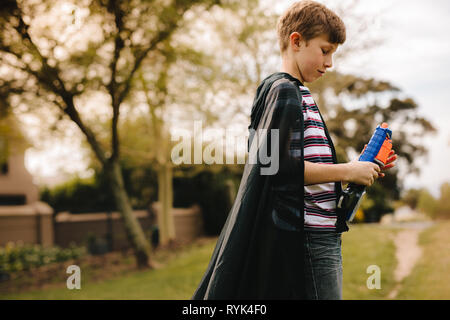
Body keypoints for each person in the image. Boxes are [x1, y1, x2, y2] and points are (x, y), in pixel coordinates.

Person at [193, 0, 397, 300]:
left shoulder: (298, 93)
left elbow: (299, 165)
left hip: (321, 233)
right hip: (311, 238)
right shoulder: (284, 91)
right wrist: (347, 169)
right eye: (325, 50)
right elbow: (279, 169)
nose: (329, 63)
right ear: (296, 41)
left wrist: (361, 167)